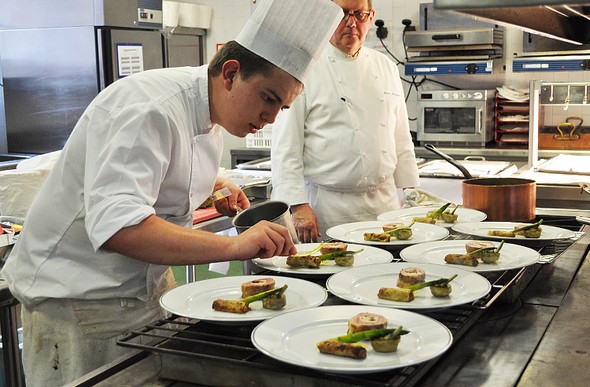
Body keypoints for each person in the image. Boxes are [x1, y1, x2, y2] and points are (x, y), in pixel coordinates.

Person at [0, 0, 342, 385]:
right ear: (230, 73)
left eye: (283, 107)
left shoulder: (211, 114)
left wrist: (211, 186)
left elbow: (157, 169)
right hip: (81, 305)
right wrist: (233, 247)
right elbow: (119, 228)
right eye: (268, 98)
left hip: (145, 294)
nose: (272, 117)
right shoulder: (149, 107)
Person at [271, 0, 420, 243]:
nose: (351, 23)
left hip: (386, 207)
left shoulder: (386, 67)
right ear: (325, 18)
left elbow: (400, 137)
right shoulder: (304, 69)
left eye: (359, 15)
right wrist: (298, 206)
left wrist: (412, 192)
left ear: (370, 17)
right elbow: (286, 148)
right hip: (328, 210)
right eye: (342, 15)